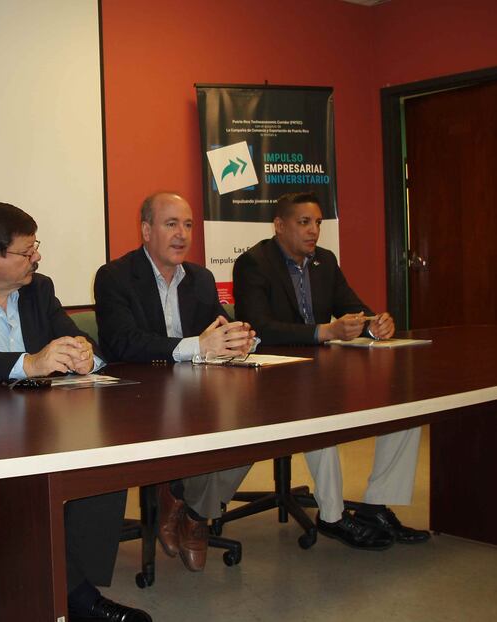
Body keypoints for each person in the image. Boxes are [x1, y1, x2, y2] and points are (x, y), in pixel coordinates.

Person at [0, 202, 151, 622]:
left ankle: (73, 585)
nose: (36, 258)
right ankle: (79, 600)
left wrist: (84, 354)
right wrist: (30, 363)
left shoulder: (38, 288)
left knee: (104, 464)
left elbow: (78, 339)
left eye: (35, 247)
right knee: (30, 486)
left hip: (42, 421)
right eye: (27, 252)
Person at [233, 190, 430, 549]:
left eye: (318, 223)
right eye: (304, 222)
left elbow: (351, 305)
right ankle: (333, 517)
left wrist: (375, 323)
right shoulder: (254, 263)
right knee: (315, 408)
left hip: (323, 368)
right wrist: (324, 331)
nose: (314, 231)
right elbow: (259, 326)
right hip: (273, 375)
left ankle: (374, 507)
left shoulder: (325, 260)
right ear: (279, 226)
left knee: (406, 407)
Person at [94, 192, 255, 572]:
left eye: (187, 225)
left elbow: (218, 326)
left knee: (251, 429)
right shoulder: (115, 276)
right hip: (139, 396)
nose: (182, 234)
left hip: (196, 390)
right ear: (146, 230)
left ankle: (192, 510)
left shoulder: (199, 277)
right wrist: (196, 345)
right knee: (203, 428)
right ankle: (182, 496)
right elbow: (123, 342)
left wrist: (239, 337)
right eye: (171, 224)